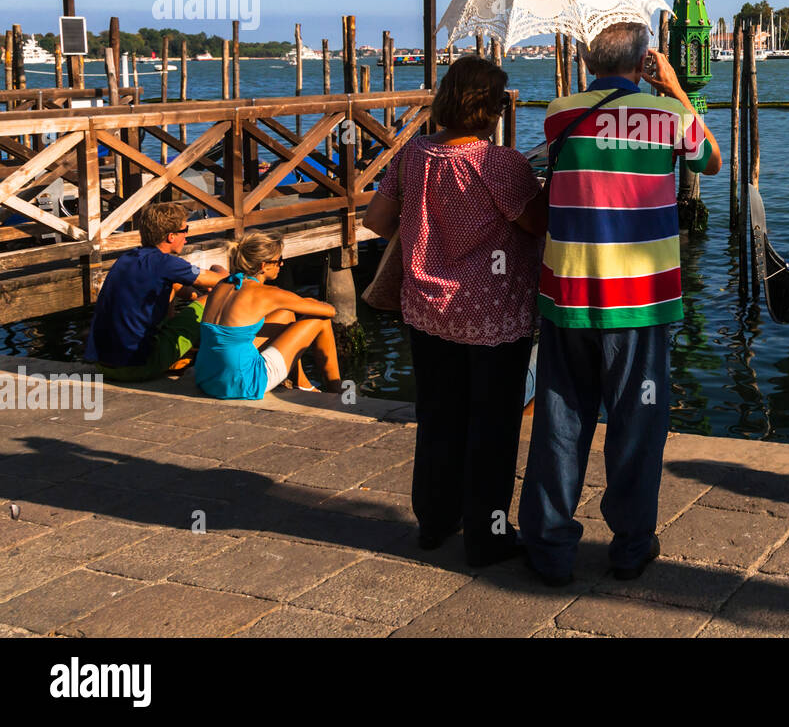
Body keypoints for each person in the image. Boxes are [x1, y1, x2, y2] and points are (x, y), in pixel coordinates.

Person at [519, 22, 721, 586]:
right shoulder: (668, 117)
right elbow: (711, 162)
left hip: (569, 292)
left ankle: (550, 546)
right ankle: (631, 545)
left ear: (589, 61)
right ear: (643, 62)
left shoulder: (561, 111)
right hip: (642, 296)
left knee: (561, 418)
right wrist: (676, 88)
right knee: (637, 421)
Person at [362, 55, 548, 567]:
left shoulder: (413, 154)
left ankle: (434, 521)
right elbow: (537, 224)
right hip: (493, 317)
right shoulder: (500, 164)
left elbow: (377, 220)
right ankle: (487, 537)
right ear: (491, 108)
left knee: (439, 415)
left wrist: (429, 236)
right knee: (492, 425)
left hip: (426, 309)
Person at [194, 230, 344, 399]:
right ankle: (337, 393)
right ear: (263, 266)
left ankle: (301, 383)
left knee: (286, 315)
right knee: (321, 321)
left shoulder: (223, 284)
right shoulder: (268, 294)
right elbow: (330, 311)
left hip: (207, 378)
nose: (282, 265)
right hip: (243, 384)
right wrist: (310, 302)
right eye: (279, 260)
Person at [86, 201, 225, 381]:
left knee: (174, 286)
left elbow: (176, 283)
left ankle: (171, 339)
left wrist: (192, 293)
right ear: (171, 236)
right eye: (185, 230)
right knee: (213, 297)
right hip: (137, 368)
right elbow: (221, 280)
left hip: (104, 365)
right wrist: (220, 269)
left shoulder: (126, 258)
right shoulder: (166, 263)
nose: (187, 237)